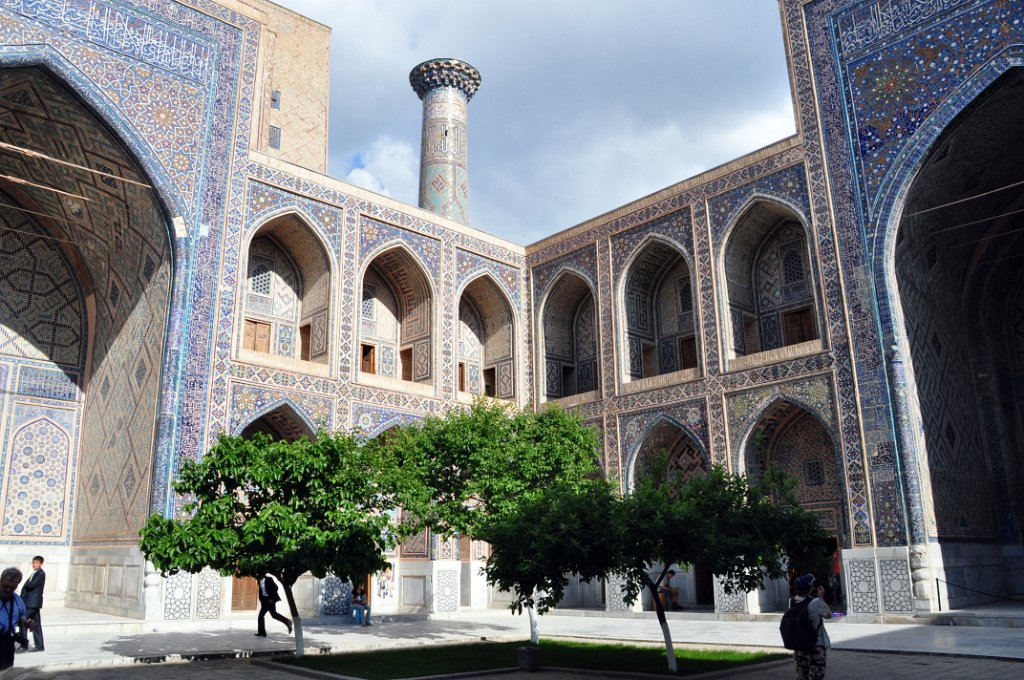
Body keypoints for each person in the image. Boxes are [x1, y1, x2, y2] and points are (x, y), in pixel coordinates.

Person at [790, 573, 832, 680]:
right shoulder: (816, 602)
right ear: (809, 588)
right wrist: (821, 598)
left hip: (799, 644)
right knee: (817, 675)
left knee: (801, 675)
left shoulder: (792, 601)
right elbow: (828, 615)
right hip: (816, 645)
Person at [0, 568, 31, 671]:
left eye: (12, 587)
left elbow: (22, 617)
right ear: (1, 581)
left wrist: (26, 622)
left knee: (6, 673)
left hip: (7, 644)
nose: (8, 590)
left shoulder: (18, 600)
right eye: (5, 586)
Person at [18, 557, 44, 653]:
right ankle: (40, 645)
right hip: (32, 603)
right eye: (33, 562)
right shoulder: (35, 573)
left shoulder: (41, 573)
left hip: (32, 603)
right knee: (36, 624)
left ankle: (24, 645)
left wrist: (25, 586)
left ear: (41, 563)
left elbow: (31, 585)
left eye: (36, 562)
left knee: (23, 622)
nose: (34, 564)